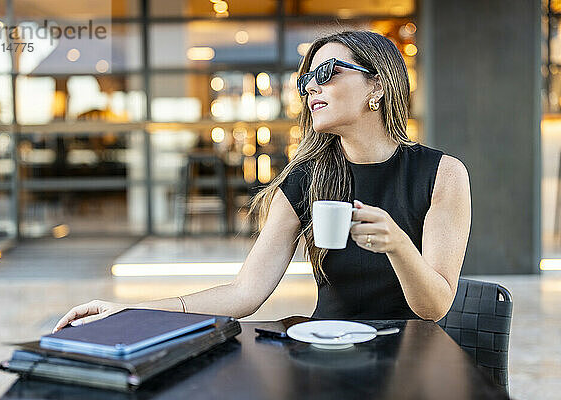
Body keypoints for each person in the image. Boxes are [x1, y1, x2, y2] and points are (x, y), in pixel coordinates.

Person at [53, 30, 471, 332]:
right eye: (307, 80)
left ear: (377, 84)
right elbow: (245, 293)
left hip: (414, 355)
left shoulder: (441, 174)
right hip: (327, 348)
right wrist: (131, 312)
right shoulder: (307, 179)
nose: (312, 89)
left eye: (327, 72)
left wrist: (398, 245)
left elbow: (434, 307)